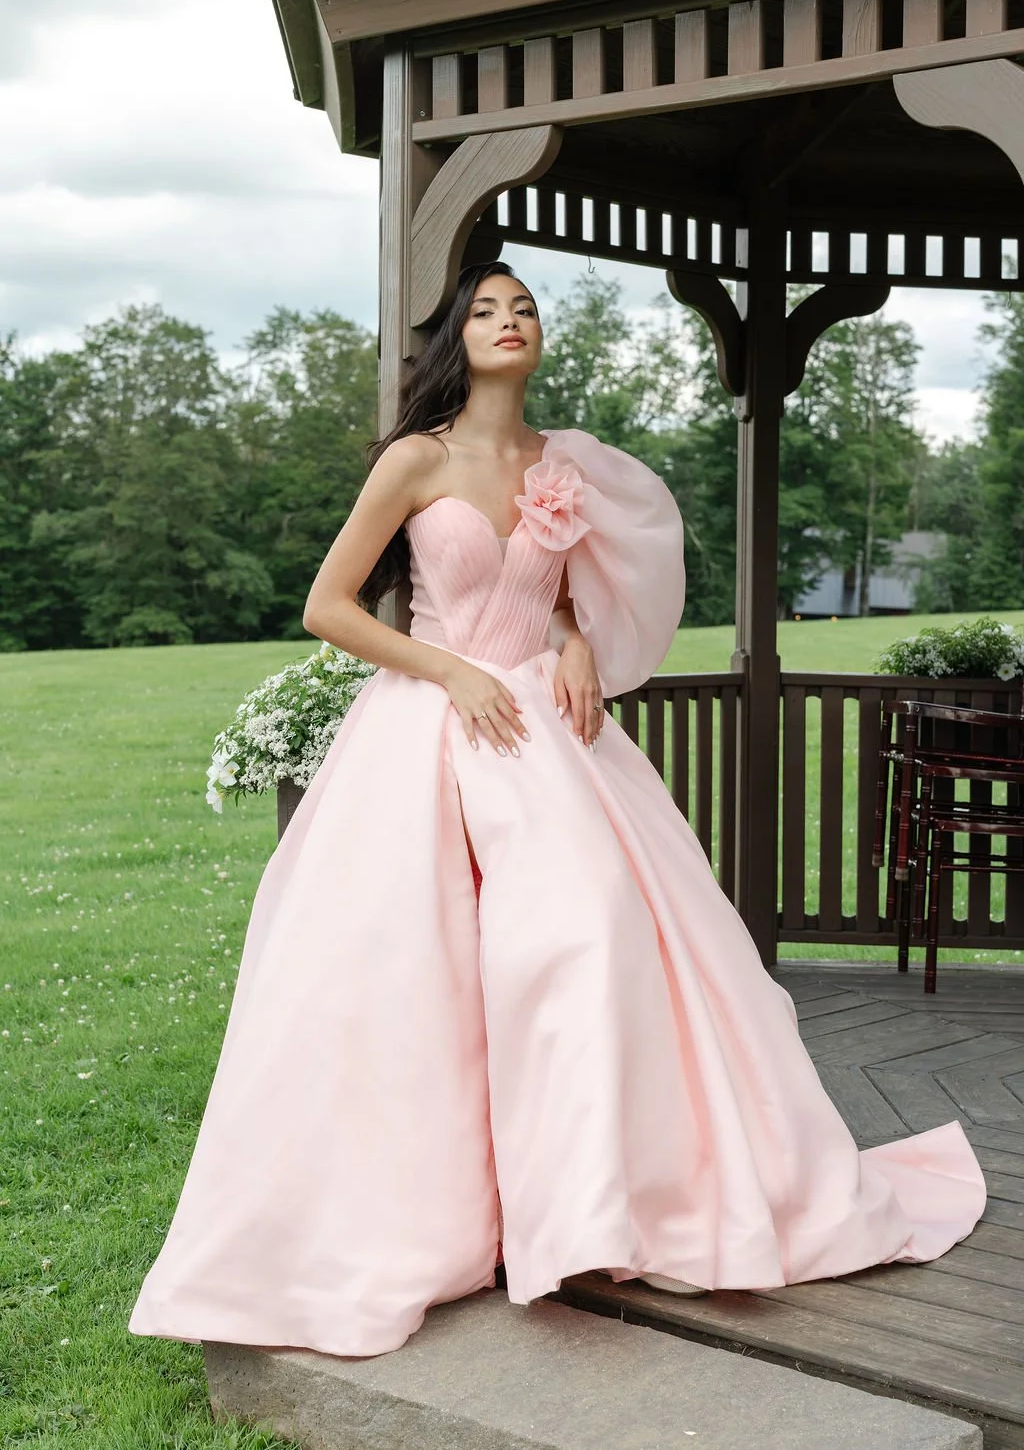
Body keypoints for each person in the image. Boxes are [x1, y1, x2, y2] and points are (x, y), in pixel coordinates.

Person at [129, 261, 986, 1360]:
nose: (508, 321)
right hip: (437, 726)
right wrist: (449, 671)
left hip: (547, 736)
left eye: (523, 308)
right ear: (457, 341)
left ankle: (587, 1208)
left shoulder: (560, 465)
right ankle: (442, 1218)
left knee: (588, 933)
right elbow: (327, 606)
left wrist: (576, 641)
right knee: (416, 971)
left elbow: (568, 592)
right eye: (486, 310)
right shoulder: (416, 458)